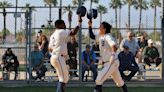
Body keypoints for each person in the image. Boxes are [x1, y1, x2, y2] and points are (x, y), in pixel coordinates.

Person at [88, 20, 128, 92]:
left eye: (101, 26)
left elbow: (114, 46)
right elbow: (92, 36)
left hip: (111, 62)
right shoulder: (101, 36)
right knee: (120, 82)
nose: (99, 28)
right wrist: (90, 26)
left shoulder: (108, 36)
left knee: (99, 80)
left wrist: (112, 55)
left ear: (104, 29)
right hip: (108, 62)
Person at [49, 16, 82, 92]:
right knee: (64, 78)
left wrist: (63, 56)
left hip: (55, 57)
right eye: (63, 24)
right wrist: (79, 23)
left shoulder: (53, 35)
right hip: (58, 57)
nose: (65, 25)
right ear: (59, 25)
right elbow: (73, 32)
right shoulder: (61, 31)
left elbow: (49, 48)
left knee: (62, 78)